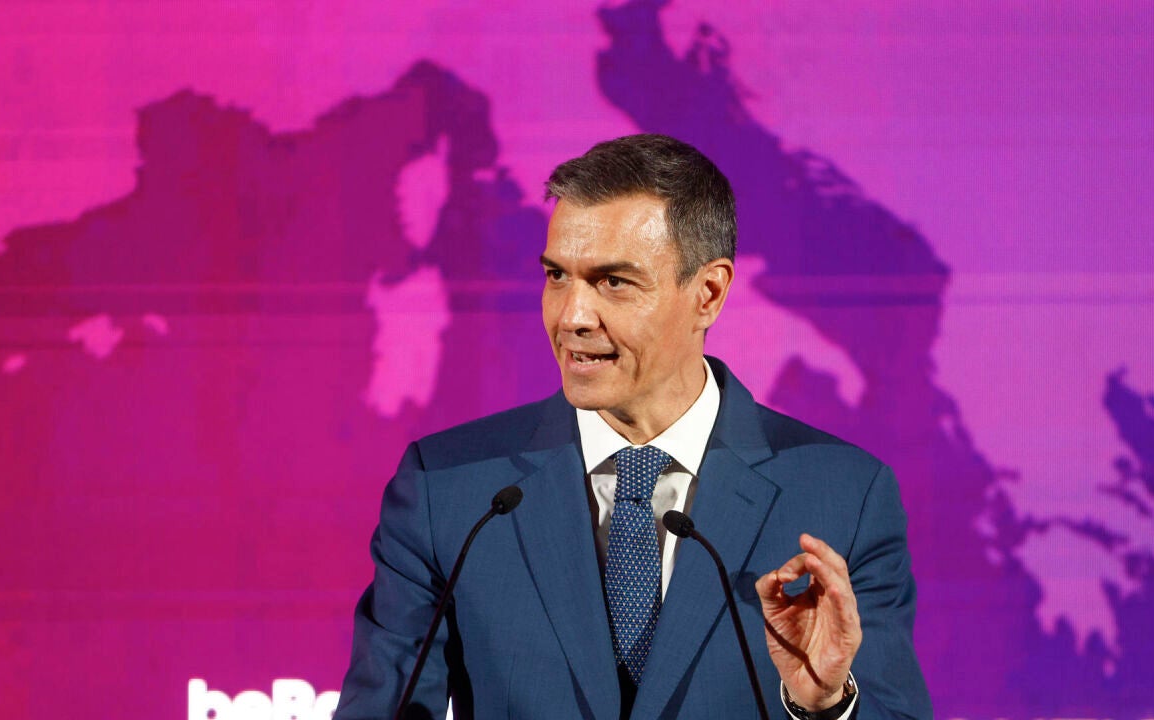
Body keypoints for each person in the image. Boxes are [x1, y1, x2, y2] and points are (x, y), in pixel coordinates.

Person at [336, 134, 931, 719]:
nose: (571, 316)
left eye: (613, 282)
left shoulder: (843, 497)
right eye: (557, 276)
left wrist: (827, 707)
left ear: (708, 293)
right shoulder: (450, 489)